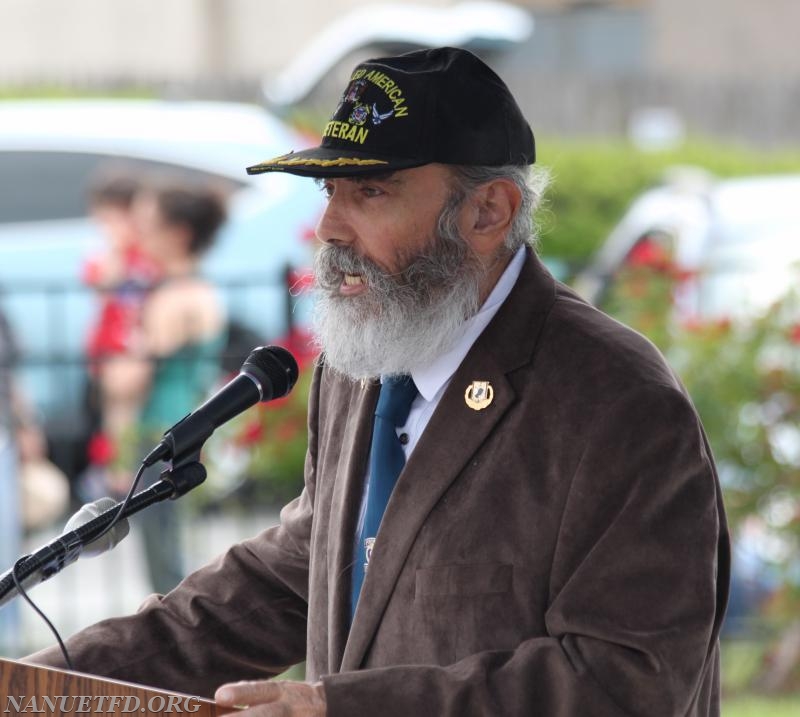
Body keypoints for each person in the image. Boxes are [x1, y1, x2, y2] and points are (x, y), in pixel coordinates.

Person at [25, 47, 729, 716]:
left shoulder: (616, 402)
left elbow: (627, 682)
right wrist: (48, 683)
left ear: (489, 213)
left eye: (371, 192)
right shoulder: (364, 365)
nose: (329, 227)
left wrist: (348, 705)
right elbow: (297, 574)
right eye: (330, 190)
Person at [94, 180, 227, 593]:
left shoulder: (174, 300)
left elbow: (126, 381)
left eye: (149, 225)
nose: (139, 235)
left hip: (161, 436)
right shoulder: (195, 289)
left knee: (166, 569)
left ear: (178, 234)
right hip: (179, 429)